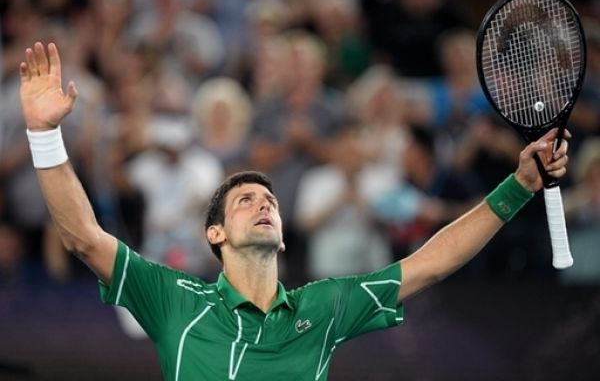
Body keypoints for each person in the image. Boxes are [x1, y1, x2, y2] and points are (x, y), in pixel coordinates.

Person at [19, 42, 570, 380]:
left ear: (283, 237)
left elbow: (431, 262)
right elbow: (83, 237)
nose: (263, 204)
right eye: (244, 200)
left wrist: (519, 185)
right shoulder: (172, 301)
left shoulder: (325, 306)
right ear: (215, 232)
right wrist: (45, 136)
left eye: (270, 201)